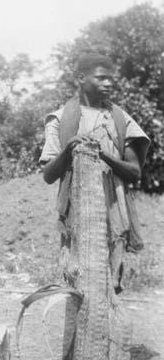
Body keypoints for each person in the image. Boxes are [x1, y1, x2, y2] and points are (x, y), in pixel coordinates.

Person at [40, 53, 150, 291]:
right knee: (76, 284)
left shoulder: (121, 120)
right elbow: (48, 174)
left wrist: (105, 155)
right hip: (77, 216)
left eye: (111, 79)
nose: (108, 84)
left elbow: (134, 172)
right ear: (81, 78)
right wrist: (69, 148)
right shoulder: (59, 120)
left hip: (112, 216)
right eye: (101, 78)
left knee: (107, 287)